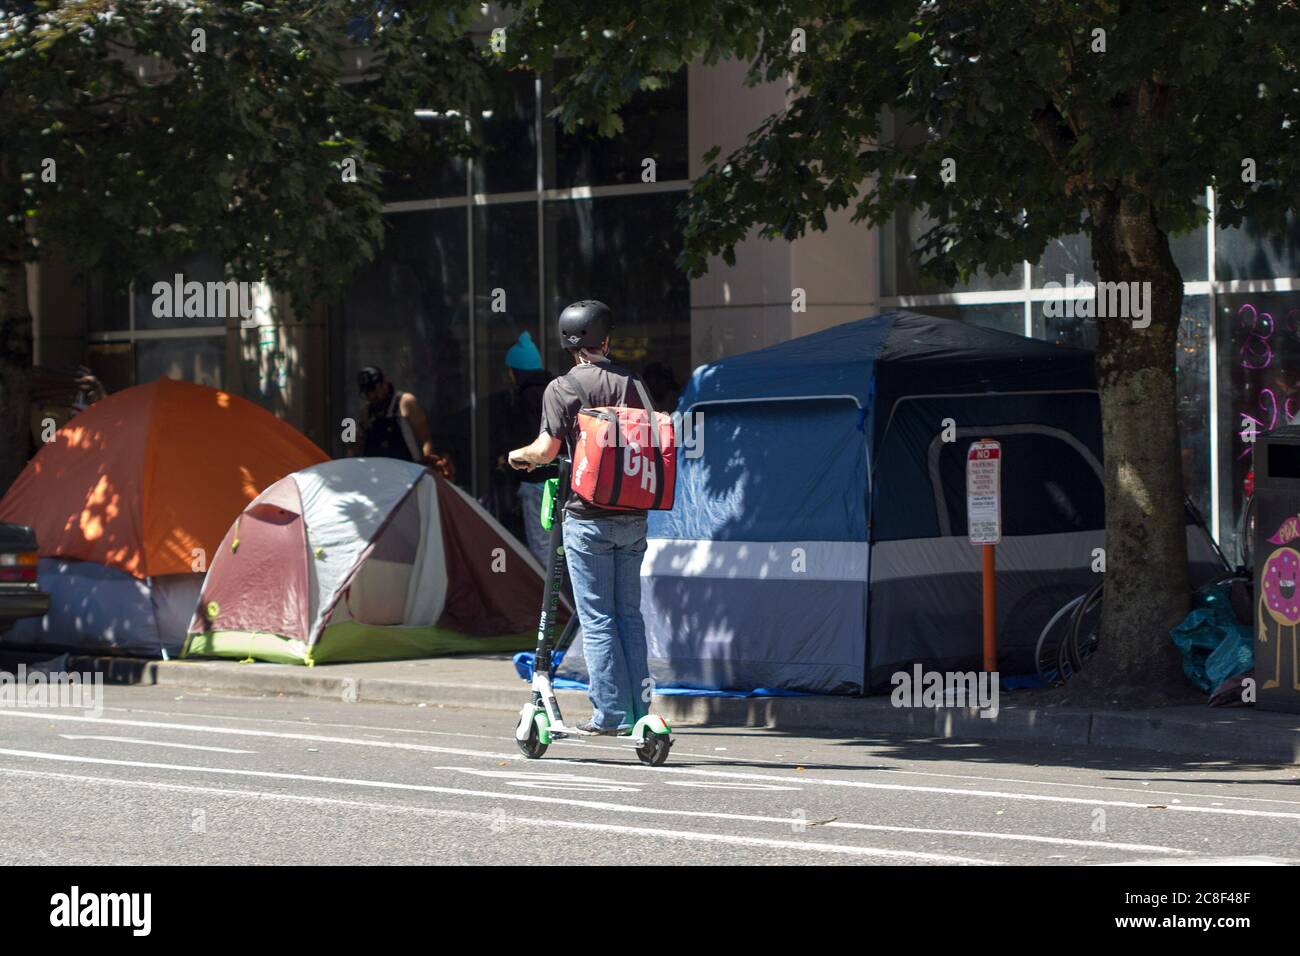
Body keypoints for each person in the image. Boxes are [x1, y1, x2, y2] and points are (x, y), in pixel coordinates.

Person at [508, 300, 651, 735]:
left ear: (567, 341)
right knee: (629, 615)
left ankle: (609, 716)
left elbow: (546, 451)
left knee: (598, 618)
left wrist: (518, 456)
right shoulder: (634, 383)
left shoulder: (562, 388)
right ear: (605, 339)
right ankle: (640, 711)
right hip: (633, 513)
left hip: (587, 515)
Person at [500, 332, 554, 565]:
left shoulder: (523, 401)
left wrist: (510, 461)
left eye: (510, 371)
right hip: (563, 479)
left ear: (516, 371)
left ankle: (550, 601)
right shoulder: (555, 392)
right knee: (561, 548)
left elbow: (525, 441)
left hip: (536, 483)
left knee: (541, 549)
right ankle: (566, 599)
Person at [352, 366, 454, 478]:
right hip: (377, 479)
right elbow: (356, 445)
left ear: (384, 383)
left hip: (408, 476)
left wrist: (427, 466)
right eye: (367, 393)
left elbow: (425, 439)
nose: (372, 396)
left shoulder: (405, 402)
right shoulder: (366, 413)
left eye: (374, 389)